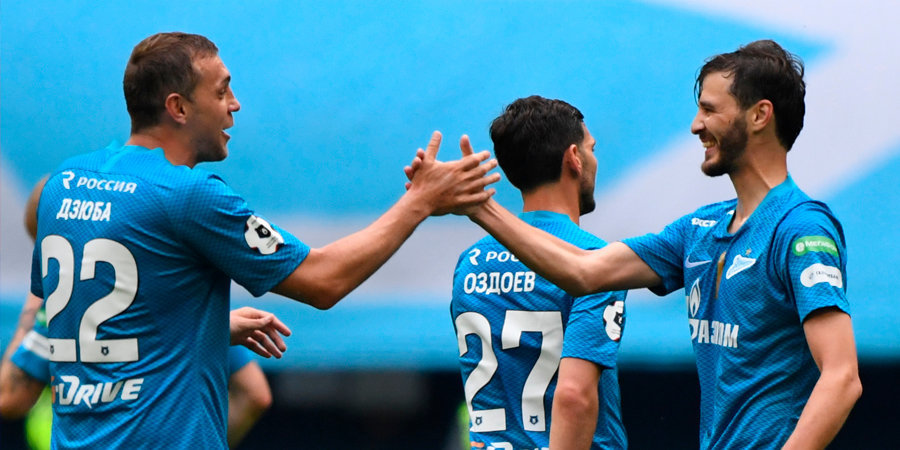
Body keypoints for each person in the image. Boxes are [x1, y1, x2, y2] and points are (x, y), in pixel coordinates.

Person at [28, 31, 498, 448]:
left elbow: (85, 320)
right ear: (178, 107)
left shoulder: (64, 184)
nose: (234, 104)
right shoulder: (187, 195)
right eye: (222, 91)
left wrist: (201, 327)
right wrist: (421, 201)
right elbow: (324, 280)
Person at [415, 40, 862, 448]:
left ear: (760, 115)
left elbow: (842, 378)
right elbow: (585, 272)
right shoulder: (700, 229)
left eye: (709, 110)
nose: (696, 126)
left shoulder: (801, 229)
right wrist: (480, 207)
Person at [0, 178, 287, 449]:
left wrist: (37, 296)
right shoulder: (181, 291)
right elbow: (254, 393)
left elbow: (9, 398)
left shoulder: (64, 303)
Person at [450, 96, 627, 450]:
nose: (595, 159)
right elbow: (575, 396)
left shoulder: (469, 263)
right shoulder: (596, 261)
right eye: (591, 149)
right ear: (574, 158)